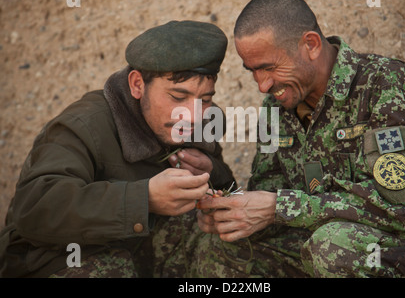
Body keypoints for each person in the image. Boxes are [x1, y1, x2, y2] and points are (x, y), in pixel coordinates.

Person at [195, 0, 405, 277]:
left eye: (269, 68)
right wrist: (232, 209)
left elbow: (402, 209)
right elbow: (270, 191)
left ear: (311, 45)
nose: (262, 85)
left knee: (332, 246)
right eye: (252, 71)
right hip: (321, 242)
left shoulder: (383, 85)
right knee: (222, 247)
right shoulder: (274, 108)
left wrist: (280, 206)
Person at [0, 20, 235, 277]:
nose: (192, 115)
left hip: (141, 251)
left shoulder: (202, 122)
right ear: (137, 85)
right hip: (56, 258)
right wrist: (144, 199)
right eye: (177, 97)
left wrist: (214, 171)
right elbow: (34, 209)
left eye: (205, 99)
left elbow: (228, 197)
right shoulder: (85, 124)